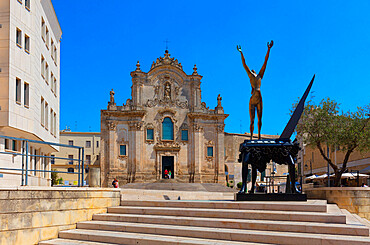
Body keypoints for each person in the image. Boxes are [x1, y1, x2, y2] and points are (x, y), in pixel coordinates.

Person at [237, 41, 273, 140]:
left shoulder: (260, 75)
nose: (253, 70)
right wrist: (241, 53)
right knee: (252, 120)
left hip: (259, 96)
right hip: (253, 99)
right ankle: (252, 137)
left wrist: (269, 49)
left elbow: (265, 62)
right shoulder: (251, 76)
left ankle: (259, 136)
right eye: (252, 71)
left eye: (253, 70)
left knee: (259, 119)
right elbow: (244, 64)